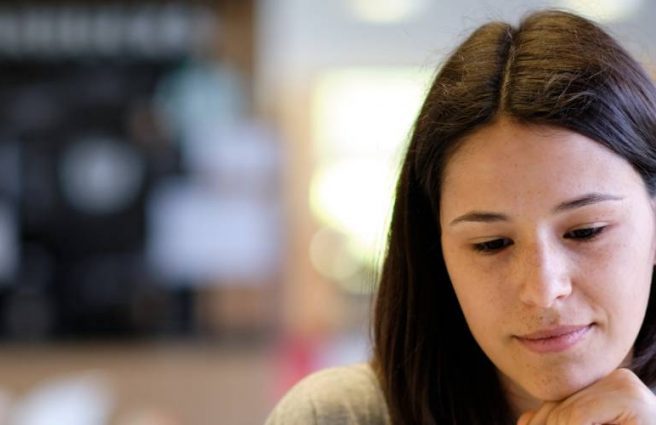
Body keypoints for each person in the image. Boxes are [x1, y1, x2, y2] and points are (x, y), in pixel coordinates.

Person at [266, 9, 656, 425]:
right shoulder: (340, 416)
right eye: (491, 243)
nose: (543, 290)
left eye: (585, 231)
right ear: (437, 253)